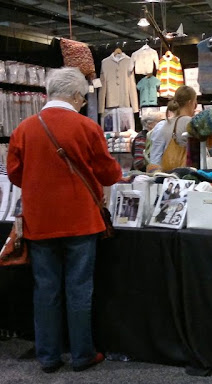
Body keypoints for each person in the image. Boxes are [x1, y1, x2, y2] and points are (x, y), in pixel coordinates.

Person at [7, 67, 121, 373]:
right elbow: (110, 173)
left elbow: (16, 175)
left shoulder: (24, 129)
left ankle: (48, 356)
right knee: (79, 288)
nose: (83, 102)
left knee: (46, 290)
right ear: (74, 95)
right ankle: (82, 354)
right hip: (81, 221)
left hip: (40, 222)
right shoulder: (86, 127)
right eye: (82, 98)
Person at [147, 85, 197, 172]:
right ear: (190, 103)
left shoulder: (164, 124)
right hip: (184, 172)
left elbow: (156, 155)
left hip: (166, 172)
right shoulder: (189, 122)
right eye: (195, 104)